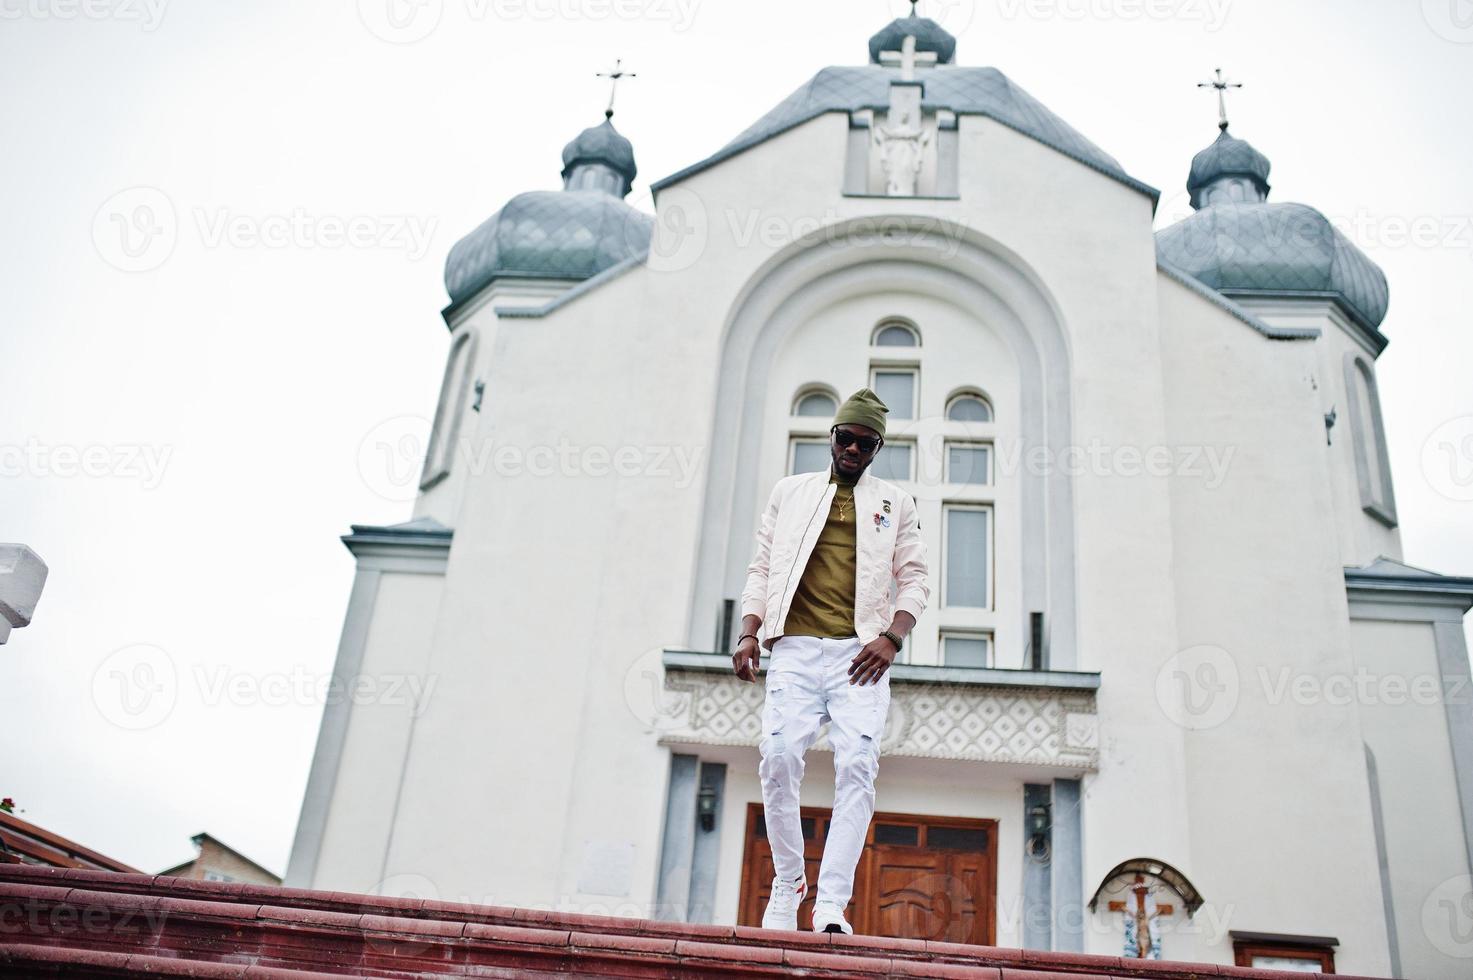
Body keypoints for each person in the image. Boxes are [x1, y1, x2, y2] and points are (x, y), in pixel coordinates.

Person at [732, 387, 930, 935]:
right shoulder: (790, 492)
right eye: (847, 439)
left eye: (867, 444)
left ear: (876, 449)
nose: (854, 450)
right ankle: (789, 882)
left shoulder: (895, 502)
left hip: (859, 656)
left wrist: (892, 637)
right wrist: (749, 633)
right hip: (793, 649)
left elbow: (914, 579)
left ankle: (830, 907)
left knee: (859, 769)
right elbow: (762, 567)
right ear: (833, 437)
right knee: (776, 758)